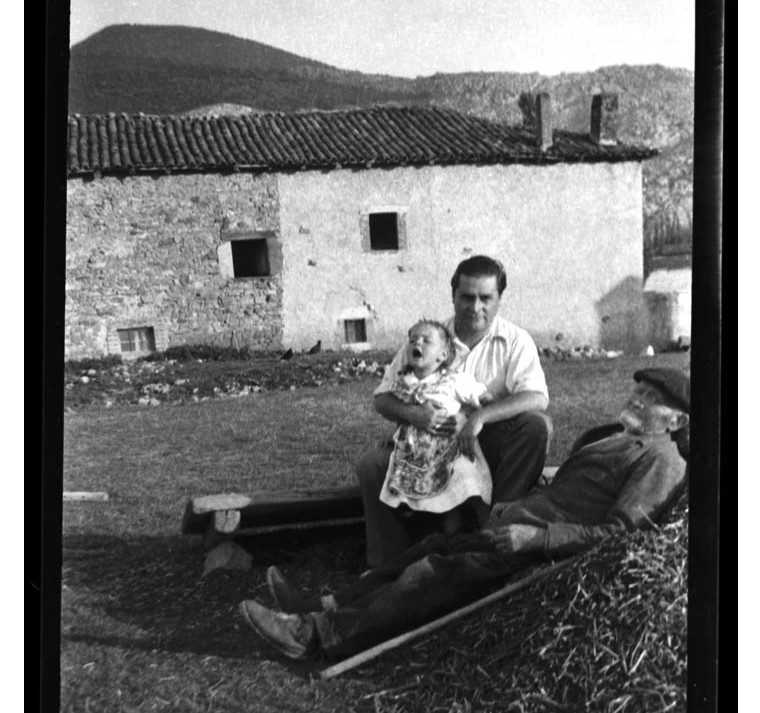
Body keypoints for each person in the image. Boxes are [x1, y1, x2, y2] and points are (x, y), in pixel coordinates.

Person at [239, 367, 690, 663]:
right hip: (514, 526)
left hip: (534, 549)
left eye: (653, 398)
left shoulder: (662, 460)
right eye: (639, 390)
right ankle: (320, 605)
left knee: (431, 574)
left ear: (677, 421)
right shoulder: (612, 437)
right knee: (426, 551)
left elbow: (623, 534)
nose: (638, 398)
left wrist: (537, 540)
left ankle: (315, 636)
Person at [357, 255, 552, 567]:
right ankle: (389, 563)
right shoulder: (428, 337)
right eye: (467, 297)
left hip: (490, 442)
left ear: (499, 298)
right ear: (453, 296)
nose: (476, 307)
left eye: (486, 298)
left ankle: (496, 525)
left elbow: (536, 397)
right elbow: (382, 398)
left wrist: (480, 417)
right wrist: (415, 414)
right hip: (430, 441)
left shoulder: (515, 340)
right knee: (372, 465)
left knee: (536, 425)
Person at [379, 319, 495, 538]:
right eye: (413, 340)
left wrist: (485, 399)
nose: (417, 343)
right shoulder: (404, 382)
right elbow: (390, 405)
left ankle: (484, 525)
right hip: (417, 455)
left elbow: (478, 394)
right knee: (430, 505)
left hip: (451, 449)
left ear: (442, 356)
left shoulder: (453, 380)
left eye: (426, 341)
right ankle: (432, 537)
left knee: (464, 484)